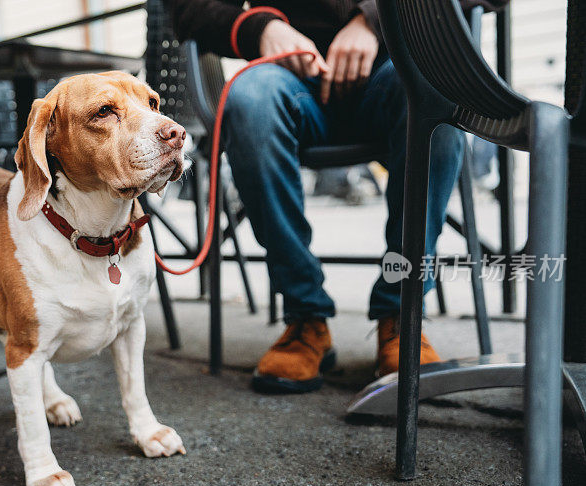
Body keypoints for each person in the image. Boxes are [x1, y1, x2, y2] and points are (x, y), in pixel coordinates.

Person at [167, 0, 507, 394]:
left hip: (397, 70)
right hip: (292, 80)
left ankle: (402, 315)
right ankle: (304, 316)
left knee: (434, 88)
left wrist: (375, 20)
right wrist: (260, 28)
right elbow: (189, 8)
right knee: (248, 99)